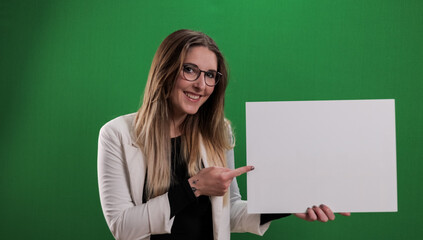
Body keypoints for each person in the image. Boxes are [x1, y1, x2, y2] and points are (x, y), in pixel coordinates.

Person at [97, 29, 350, 240]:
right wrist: (194, 187)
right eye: (189, 70)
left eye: (210, 75)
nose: (201, 85)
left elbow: (229, 213)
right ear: (165, 70)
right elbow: (122, 227)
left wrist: (287, 203)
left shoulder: (218, 131)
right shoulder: (116, 135)